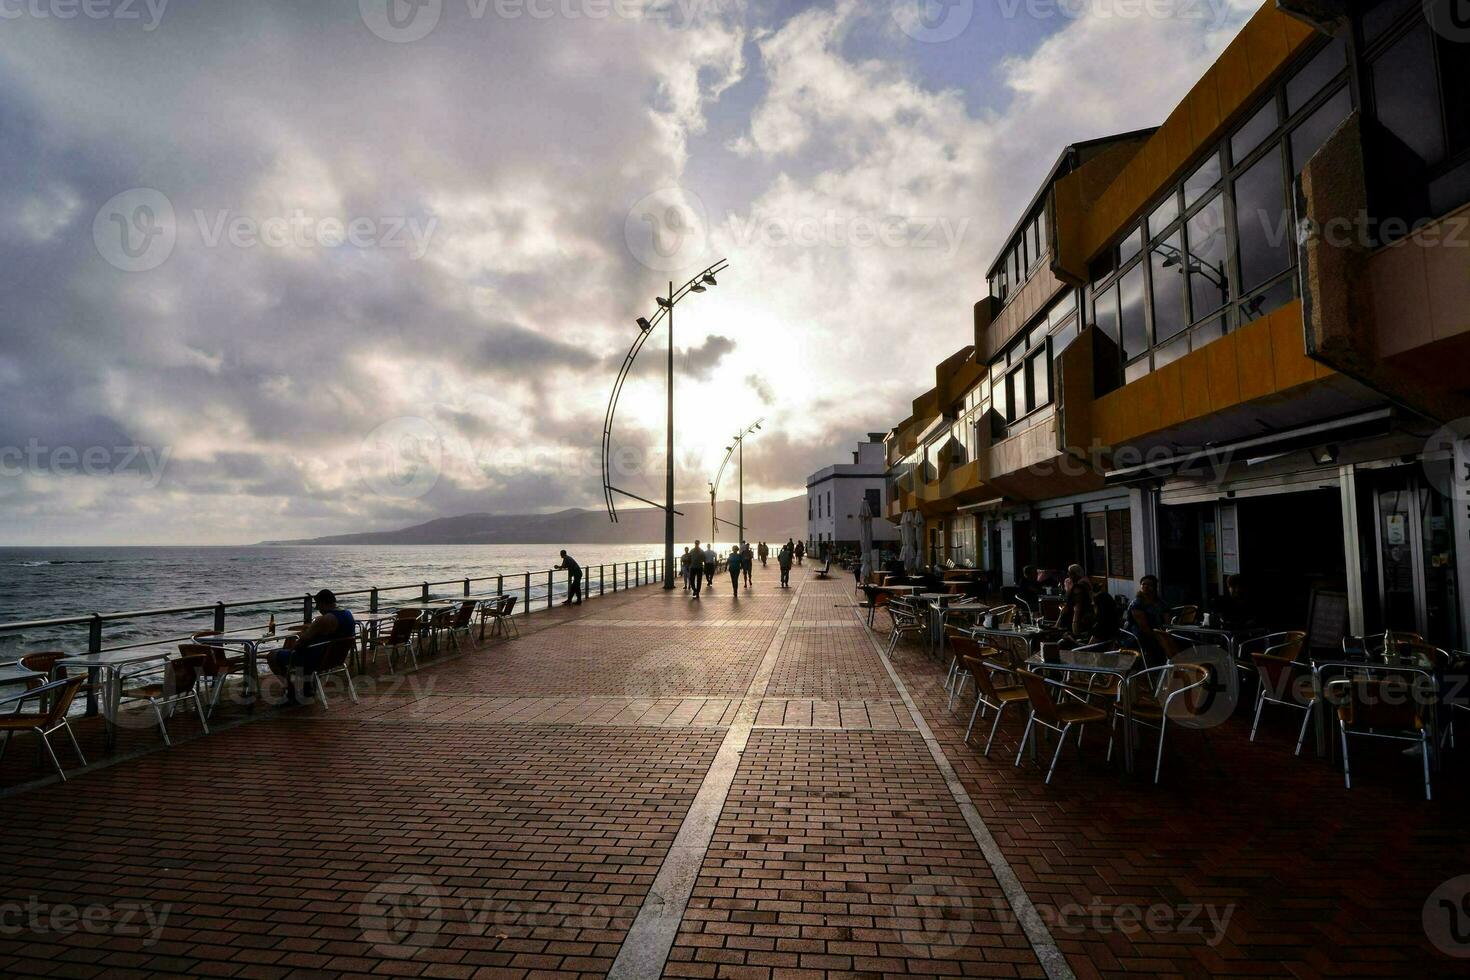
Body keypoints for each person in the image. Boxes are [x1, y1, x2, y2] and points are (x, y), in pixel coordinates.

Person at [267, 589, 355, 705]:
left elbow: (301, 642)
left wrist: (298, 641)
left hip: (316, 660)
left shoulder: (323, 620)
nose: (317, 608)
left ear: (323, 603)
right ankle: (306, 689)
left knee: (272, 656)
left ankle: (292, 691)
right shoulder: (347, 614)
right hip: (335, 658)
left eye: (318, 605)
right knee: (302, 652)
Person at [1127, 574, 1178, 663]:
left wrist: (1166, 632)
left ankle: (1175, 664)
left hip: (1159, 631)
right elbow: (1143, 626)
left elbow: (1167, 621)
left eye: (1149, 584)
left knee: (1176, 640)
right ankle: (1171, 663)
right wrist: (1158, 636)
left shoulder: (1160, 602)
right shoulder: (1137, 603)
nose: (1145, 586)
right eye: (1143, 584)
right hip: (1139, 634)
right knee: (1163, 643)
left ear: (1154, 587)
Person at [1058, 564, 1095, 641]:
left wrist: (1075, 627)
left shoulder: (1079, 587)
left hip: (1078, 622)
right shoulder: (1081, 583)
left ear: (1076, 574)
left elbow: (1077, 608)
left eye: (1070, 573)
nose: (1068, 575)